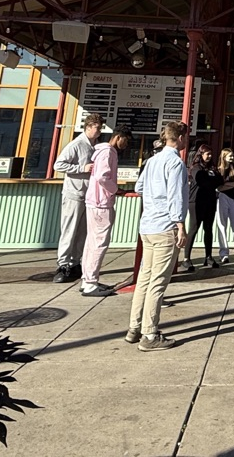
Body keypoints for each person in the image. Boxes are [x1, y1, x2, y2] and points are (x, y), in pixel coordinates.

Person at [126, 121, 188, 352]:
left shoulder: (152, 161)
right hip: (165, 226)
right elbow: (176, 197)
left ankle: (135, 326)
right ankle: (150, 333)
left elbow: (139, 187)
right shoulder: (175, 163)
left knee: (145, 277)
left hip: (148, 225)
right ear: (180, 138)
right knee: (158, 282)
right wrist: (180, 225)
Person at [80, 124, 132, 297]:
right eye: (126, 140)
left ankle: (87, 279)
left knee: (91, 241)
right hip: (100, 202)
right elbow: (103, 176)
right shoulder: (108, 152)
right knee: (99, 243)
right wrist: (115, 189)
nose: (126, 145)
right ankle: (90, 283)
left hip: (95, 200)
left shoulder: (103, 151)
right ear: (118, 137)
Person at [52, 113, 105, 283]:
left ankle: (75, 262)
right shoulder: (76, 144)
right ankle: (63, 264)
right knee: (69, 230)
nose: (99, 131)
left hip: (87, 194)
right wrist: (82, 167)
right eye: (97, 127)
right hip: (74, 193)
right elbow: (58, 164)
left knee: (82, 231)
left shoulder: (94, 146)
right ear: (88, 126)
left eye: (100, 127)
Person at [183, 144, 223, 270]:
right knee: (194, 228)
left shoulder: (212, 168)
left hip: (210, 200)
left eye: (211, 154)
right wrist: (212, 181)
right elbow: (201, 181)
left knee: (208, 228)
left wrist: (212, 180)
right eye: (207, 154)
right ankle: (186, 258)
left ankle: (209, 256)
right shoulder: (195, 168)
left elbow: (220, 180)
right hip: (196, 201)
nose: (209, 156)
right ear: (201, 155)